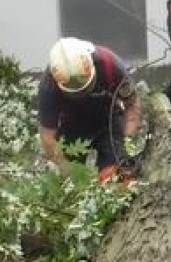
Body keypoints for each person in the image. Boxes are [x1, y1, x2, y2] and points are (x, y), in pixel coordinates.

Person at [37, 37, 142, 181]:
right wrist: (68, 172)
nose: (81, 94)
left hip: (108, 120)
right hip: (71, 127)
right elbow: (48, 136)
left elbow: (132, 105)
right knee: (68, 180)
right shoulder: (49, 86)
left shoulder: (109, 64)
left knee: (116, 171)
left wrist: (127, 139)